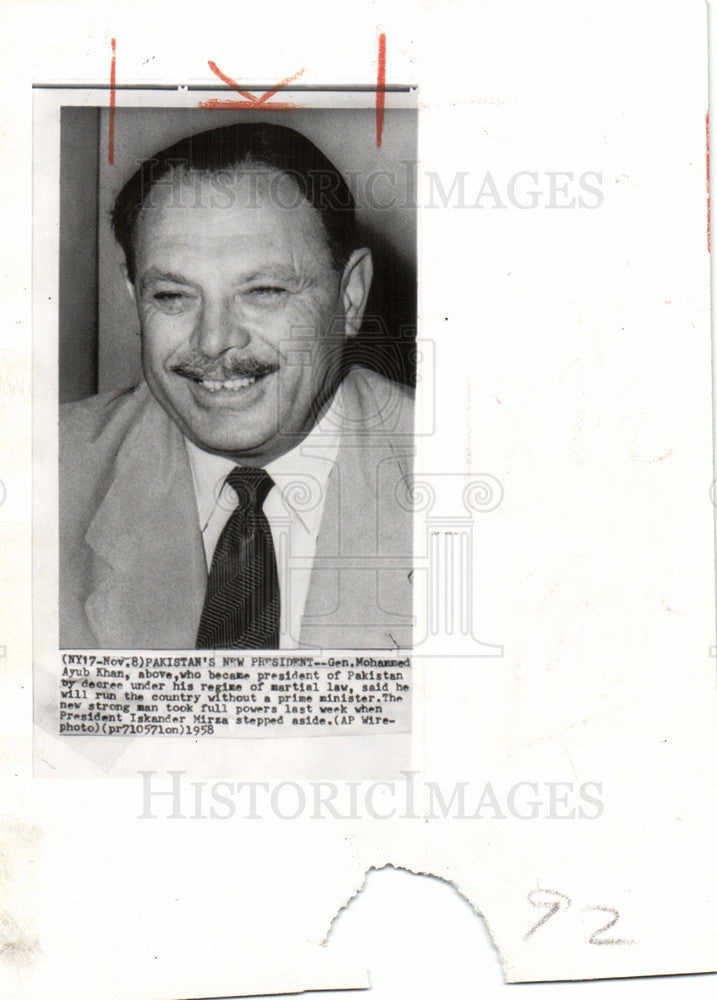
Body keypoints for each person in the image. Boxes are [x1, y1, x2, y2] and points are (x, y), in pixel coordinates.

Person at [59, 121, 414, 650]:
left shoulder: (472, 482)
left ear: (350, 297)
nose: (213, 342)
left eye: (264, 290)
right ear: (134, 295)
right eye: (173, 296)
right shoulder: (37, 473)